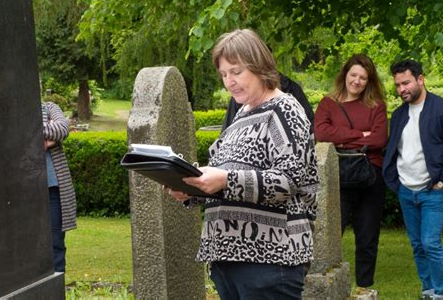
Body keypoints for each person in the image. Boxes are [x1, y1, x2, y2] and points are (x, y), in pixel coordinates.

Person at [166, 28, 319, 299]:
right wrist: (192, 188)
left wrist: (225, 179)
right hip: (228, 258)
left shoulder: (284, 109)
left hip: (270, 261)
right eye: (224, 74)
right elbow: (226, 181)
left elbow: (288, 182)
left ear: (259, 66)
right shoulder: (241, 114)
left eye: (236, 72)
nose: (229, 81)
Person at [383, 59, 443, 299]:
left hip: (434, 190)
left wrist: (442, 179)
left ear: (420, 79)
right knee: (418, 245)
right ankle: (428, 289)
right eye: (398, 85)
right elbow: (395, 150)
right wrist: (395, 182)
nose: (402, 89)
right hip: (406, 190)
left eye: (406, 82)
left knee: (430, 242)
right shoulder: (399, 114)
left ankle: (442, 293)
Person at [314, 54, 388, 295]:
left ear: (369, 81)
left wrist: (343, 136)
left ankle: (364, 289)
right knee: (331, 234)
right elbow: (321, 133)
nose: (357, 81)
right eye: (353, 75)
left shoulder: (376, 105)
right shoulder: (328, 103)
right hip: (339, 179)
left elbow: (379, 139)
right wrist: (361, 136)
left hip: (370, 178)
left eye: (363, 78)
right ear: (345, 74)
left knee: (367, 237)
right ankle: (329, 284)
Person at [42, 101, 77, 272]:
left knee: (56, 244)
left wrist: (27, 131)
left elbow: (62, 128)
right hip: (19, 190)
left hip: (53, 189)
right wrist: (47, 135)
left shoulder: (49, 107)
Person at [221, 73, 314, 132]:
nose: (229, 83)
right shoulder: (241, 99)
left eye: (237, 72)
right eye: (224, 74)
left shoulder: (289, 101)